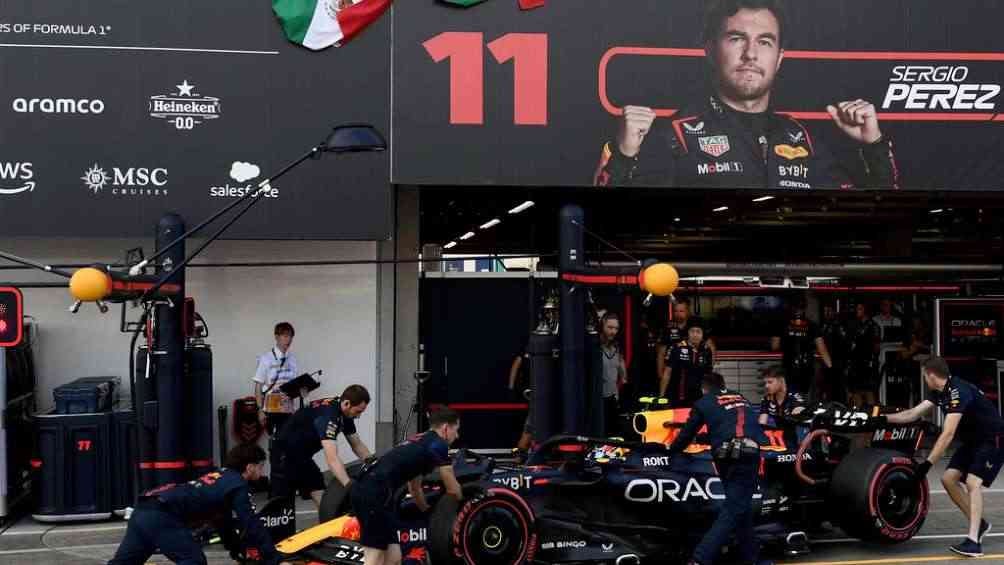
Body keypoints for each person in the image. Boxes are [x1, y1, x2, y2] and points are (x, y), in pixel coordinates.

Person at [594, 0, 899, 190]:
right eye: (737, 38)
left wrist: (873, 146)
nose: (751, 53)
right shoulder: (674, 135)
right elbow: (611, 225)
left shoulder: (801, 137)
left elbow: (871, 219)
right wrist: (622, 154)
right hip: (707, 288)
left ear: (779, 58)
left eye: (765, 42)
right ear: (710, 50)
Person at [883, 357, 1004, 558]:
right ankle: (980, 524)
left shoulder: (958, 391)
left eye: (924, 375)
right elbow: (912, 414)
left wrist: (928, 464)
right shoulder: (940, 392)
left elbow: (947, 434)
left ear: (931, 374)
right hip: (973, 440)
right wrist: (881, 418)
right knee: (948, 479)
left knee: (973, 483)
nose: (924, 379)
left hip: (992, 438)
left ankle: (974, 542)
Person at [108, 444, 278, 565]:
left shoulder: (219, 477)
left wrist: (236, 550)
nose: (262, 471)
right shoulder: (238, 484)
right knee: (194, 560)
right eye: (261, 466)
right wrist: (273, 558)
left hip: (144, 509)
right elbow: (251, 523)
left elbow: (222, 523)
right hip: (162, 515)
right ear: (249, 467)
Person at [669, 372, 769, 565]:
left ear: (704, 389)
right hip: (748, 454)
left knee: (737, 509)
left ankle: (706, 559)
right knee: (738, 507)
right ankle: (740, 558)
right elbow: (744, 426)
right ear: (724, 385)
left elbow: (685, 436)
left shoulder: (704, 402)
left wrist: (669, 452)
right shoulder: (742, 398)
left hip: (726, 457)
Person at [350, 408, 463, 565]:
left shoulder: (420, 441)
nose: (457, 436)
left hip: (375, 491)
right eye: (456, 430)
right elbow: (452, 487)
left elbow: (414, 488)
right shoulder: (439, 445)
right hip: (373, 492)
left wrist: (427, 512)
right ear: (445, 428)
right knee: (374, 556)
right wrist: (464, 504)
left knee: (394, 557)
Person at [272, 384, 372, 507]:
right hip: (283, 453)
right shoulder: (329, 416)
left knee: (318, 489)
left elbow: (357, 445)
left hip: (302, 456)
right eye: (358, 411)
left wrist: (373, 464)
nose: (358, 416)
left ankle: (329, 522)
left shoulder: (345, 413)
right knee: (283, 507)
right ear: (347, 403)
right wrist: (350, 486)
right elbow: (332, 459)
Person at [770, 300, 832, 398]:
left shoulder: (781, 324)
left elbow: (774, 346)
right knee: (805, 396)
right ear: (804, 309)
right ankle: (803, 410)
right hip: (807, 366)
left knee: (788, 394)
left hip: (789, 365)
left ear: (791, 309)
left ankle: (790, 410)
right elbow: (822, 348)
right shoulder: (812, 325)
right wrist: (830, 367)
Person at [254, 322, 305, 436]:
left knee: (288, 443)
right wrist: (260, 410)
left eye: (291, 336)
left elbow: (295, 385)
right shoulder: (266, 359)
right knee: (275, 444)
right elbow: (258, 386)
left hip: (288, 410)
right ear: (277, 337)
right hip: (271, 410)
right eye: (285, 336)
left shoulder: (293, 360)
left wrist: (303, 390)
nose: (289, 339)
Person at [657, 298, 717, 386]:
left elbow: (711, 347)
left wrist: (710, 369)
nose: (678, 314)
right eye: (676, 311)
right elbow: (661, 353)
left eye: (681, 311)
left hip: (694, 373)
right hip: (672, 372)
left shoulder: (696, 325)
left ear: (688, 311)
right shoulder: (668, 328)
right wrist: (660, 373)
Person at [662, 319, 714, 407]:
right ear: (688, 333)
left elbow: (708, 376)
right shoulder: (676, 348)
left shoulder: (706, 350)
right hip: (678, 397)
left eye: (698, 332)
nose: (695, 334)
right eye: (692, 331)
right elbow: (667, 373)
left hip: (699, 397)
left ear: (702, 334)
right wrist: (662, 396)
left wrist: (710, 396)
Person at [845, 303, 881, 407]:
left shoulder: (874, 326)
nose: (857, 311)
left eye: (860, 309)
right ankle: (859, 415)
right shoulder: (854, 325)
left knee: (869, 391)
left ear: (866, 311)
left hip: (868, 364)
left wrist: (872, 361)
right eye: (857, 308)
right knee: (856, 391)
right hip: (855, 364)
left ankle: (872, 417)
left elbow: (876, 347)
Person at [600, 312, 628, 436]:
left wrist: (623, 378)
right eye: (610, 327)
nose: (613, 331)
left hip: (613, 397)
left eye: (616, 328)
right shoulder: (595, 347)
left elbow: (621, 368)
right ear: (602, 326)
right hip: (598, 398)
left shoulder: (616, 347)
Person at [820, 304, 848, 403]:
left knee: (838, 390)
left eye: (829, 310)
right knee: (827, 390)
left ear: (834, 312)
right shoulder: (823, 325)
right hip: (825, 363)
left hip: (838, 363)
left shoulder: (839, 325)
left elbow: (845, 344)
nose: (826, 313)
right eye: (825, 311)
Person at [507, 347, 533, 451]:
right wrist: (511, 388)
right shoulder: (524, 354)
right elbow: (515, 367)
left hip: (542, 393)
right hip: (530, 394)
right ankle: (521, 453)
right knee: (530, 426)